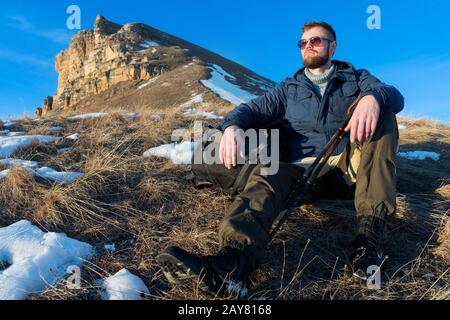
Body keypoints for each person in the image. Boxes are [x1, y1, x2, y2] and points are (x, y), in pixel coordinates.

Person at [157, 21, 404, 297]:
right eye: (304, 43)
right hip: (302, 172)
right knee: (268, 173)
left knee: (385, 114)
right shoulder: (289, 88)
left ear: (333, 46)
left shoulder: (357, 78)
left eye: (317, 41)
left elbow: (394, 94)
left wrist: (373, 98)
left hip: (348, 167)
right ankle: (233, 266)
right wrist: (232, 127)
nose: (309, 46)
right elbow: (249, 110)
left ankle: (368, 243)